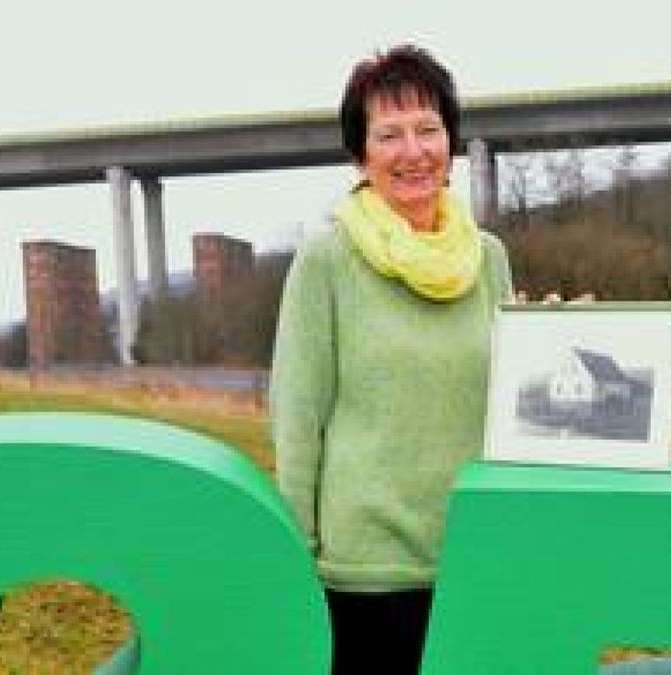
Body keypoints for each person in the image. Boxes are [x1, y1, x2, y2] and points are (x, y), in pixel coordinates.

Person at [269, 44, 513, 674]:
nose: (413, 151)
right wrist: (293, 559)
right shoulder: (325, 261)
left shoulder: (490, 259)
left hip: (475, 559)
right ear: (361, 155)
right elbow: (298, 418)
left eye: (428, 129)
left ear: (452, 143)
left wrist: (557, 342)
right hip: (365, 574)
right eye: (390, 135)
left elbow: (515, 405)